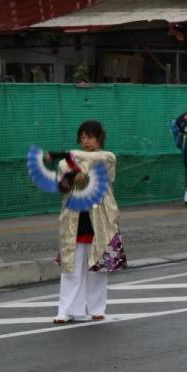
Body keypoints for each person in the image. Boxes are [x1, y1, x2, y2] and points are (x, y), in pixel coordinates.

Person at [49, 120, 126, 323]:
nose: (85, 141)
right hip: (74, 218)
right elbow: (62, 188)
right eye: (82, 138)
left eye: (89, 137)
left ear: (100, 137)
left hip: (101, 218)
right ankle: (66, 310)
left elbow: (99, 169)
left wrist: (67, 155)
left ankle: (96, 308)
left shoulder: (107, 158)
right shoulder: (64, 163)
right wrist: (71, 177)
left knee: (98, 267)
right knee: (71, 267)